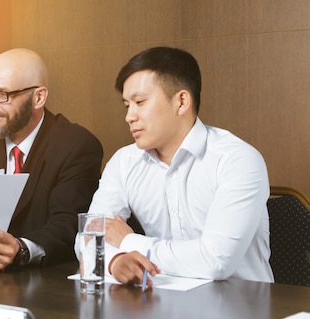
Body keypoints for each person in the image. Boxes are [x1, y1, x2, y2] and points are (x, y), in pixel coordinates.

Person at [80, 46, 273, 288]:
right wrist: (114, 260)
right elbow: (88, 237)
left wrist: (129, 241)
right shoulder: (124, 161)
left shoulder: (238, 160)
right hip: (162, 304)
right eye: (127, 105)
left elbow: (216, 260)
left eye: (140, 102)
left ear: (181, 102)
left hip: (241, 306)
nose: (129, 116)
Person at [0, 48, 103, 270]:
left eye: (3, 94)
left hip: (46, 282)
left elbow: (68, 224)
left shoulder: (76, 145)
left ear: (38, 97)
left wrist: (23, 249)